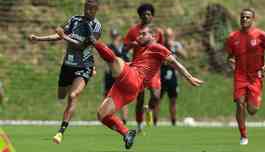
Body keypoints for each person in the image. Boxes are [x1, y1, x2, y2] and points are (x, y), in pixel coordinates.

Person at [56, 25, 203, 149]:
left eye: (143, 34)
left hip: (133, 80)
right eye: (139, 34)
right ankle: (126, 133)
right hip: (127, 88)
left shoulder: (157, 47)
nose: (139, 36)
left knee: (115, 60)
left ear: (153, 35)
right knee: (102, 115)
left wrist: (189, 77)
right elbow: (129, 65)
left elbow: (174, 61)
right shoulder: (144, 52)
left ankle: (94, 41)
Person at [28, 0, 102, 144]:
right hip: (68, 65)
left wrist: (64, 37)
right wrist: (39, 38)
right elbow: (59, 35)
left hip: (84, 66)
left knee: (73, 96)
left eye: (90, 8)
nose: (87, 10)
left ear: (96, 10)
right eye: (86, 7)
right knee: (61, 95)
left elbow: (81, 46)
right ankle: (75, 85)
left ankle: (60, 132)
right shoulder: (75, 20)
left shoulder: (96, 27)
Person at [225, 8, 265, 145]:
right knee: (239, 104)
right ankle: (243, 135)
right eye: (242, 17)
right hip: (240, 76)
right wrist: (230, 62)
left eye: (247, 17)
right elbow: (229, 56)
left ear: (253, 19)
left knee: (252, 110)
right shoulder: (232, 37)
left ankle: (253, 98)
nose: (244, 19)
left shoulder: (260, 35)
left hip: (255, 77)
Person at [123, 3, 164, 131]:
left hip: (153, 69)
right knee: (139, 98)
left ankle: (149, 110)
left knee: (156, 96)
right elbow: (124, 48)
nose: (146, 16)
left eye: (149, 14)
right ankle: (139, 124)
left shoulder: (157, 32)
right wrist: (133, 45)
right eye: (144, 14)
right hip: (138, 69)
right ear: (140, 16)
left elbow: (162, 48)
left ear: (152, 16)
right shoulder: (133, 31)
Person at [157, 27, 187, 126]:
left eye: (169, 35)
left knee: (173, 99)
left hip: (173, 73)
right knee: (157, 98)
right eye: (166, 35)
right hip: (162, 73)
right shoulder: (160, 45)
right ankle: (154, 122)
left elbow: (185, 55)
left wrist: (176, 49)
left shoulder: (176, 45)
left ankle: (173, 122)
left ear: (172, 36)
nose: (167, 37)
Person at [103, 28, 129, 124]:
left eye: (116, 36)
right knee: (107, 96)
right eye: (113, 37)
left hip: (121, 76)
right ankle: (107, 117)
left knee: (123, 97)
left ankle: (124, 119)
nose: (115, 39)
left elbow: (127, 61)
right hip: (110, 75)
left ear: (119, 37)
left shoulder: (123, 49)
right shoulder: (109, 47)